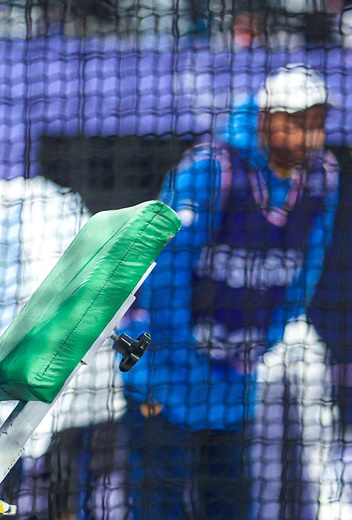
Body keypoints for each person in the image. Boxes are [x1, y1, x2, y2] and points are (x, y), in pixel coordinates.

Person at [120, 63, 340, 520]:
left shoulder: (322, 178)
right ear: (265, 118)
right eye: (294, 123)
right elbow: (164, 273)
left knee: (230, 505)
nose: (306, 137)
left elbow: (306, 271)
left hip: (234, 379)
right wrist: (184, 353)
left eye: (315, 124)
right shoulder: (210, 168)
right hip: (165, 373)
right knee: (158, 506)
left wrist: (262, 345)